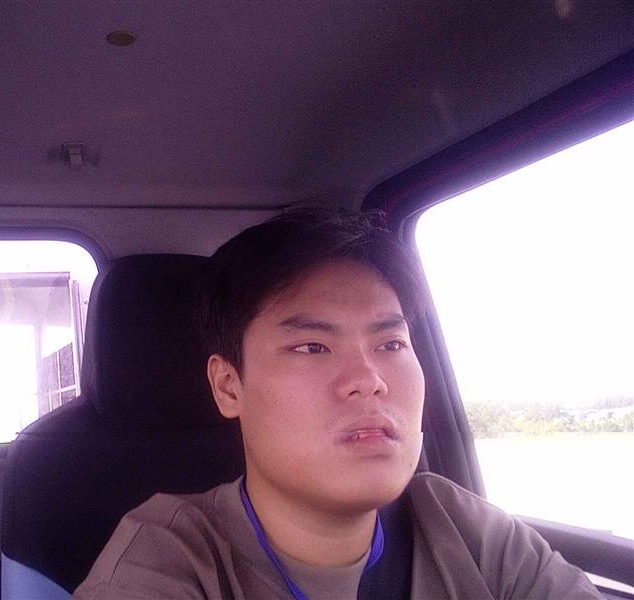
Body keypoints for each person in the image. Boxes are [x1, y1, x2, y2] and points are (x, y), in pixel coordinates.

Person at [73, 208, 600, 599]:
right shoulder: (167, 559)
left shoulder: (463, 529)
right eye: (312, 347)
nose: (369, 381)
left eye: (391, 344)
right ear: (229, 386)